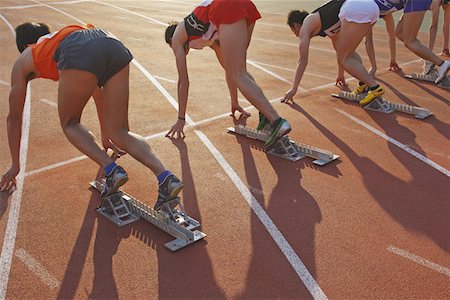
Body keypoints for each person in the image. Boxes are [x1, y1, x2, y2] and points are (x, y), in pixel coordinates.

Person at [0, 22, 183, 210]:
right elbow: (99, 95)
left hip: (79, 48)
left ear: (24, 46)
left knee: (70, 123)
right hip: (111, 42)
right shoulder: (57, 40)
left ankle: (111, 170)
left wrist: (15, 165)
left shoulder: (25, 58)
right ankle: (165, 177)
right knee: (120, 132)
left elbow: (14, 117)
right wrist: (106, 136)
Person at [164, 0, 291, 150]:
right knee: (238, 71)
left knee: (239, 74)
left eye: (171, 47)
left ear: (171, 41)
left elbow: (183, 81)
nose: (175, 51)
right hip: (245, 6)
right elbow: (228, 69)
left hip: (225, 7)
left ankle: (277, 122)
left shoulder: (179, 37)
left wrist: (181, 119)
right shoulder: (207, 37)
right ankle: (266, 114)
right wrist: (235, 102)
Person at [283, 0, 385, 106]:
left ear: (296, 25)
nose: (295, 35)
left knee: (345, 58)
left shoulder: (306, 25)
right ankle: (364, 84)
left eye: (292, 30)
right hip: (372, 9)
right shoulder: (326, 24)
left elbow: (303, 60)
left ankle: (374, 87)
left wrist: (294, 88)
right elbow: (339, 49)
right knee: (348, 53)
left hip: (357, 8)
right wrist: (341, 74)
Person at [395, 0, 450, 82]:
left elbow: (434, 27)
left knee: (409, 42)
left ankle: (441, 64)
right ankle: (429, 58)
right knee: (399, 32)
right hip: (411, 3)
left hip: (415, 2)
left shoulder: (436, 3)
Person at [364, 2, 405, 77]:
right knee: (368, 39)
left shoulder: (400, 3)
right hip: (371, 12)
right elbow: (368, 42)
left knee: (391, 34)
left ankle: (393, 60)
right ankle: (373, 67)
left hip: (385, 12)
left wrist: (393, 59)